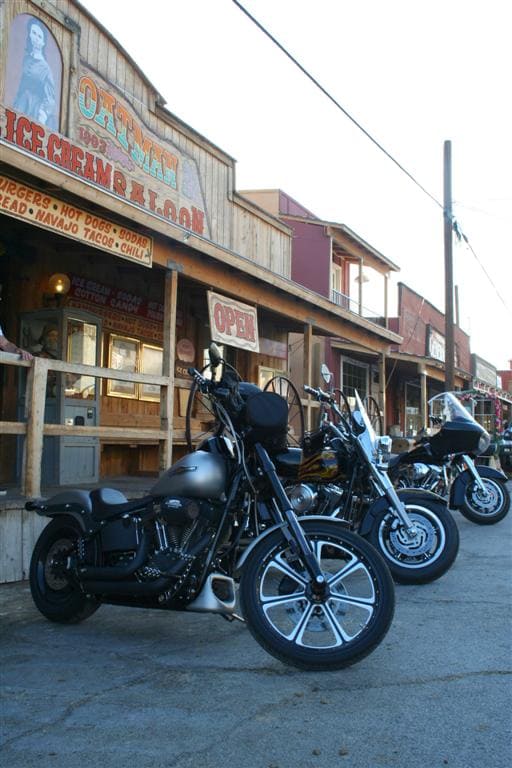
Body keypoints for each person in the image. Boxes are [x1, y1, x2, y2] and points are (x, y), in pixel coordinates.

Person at [13, 18, 58, 128]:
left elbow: (50, 99)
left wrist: (42, 116)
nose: (36, 39)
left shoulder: (45, 68)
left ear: (43, 42)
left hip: (33, 108)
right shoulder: (26, 58)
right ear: (29, 34)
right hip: (20, 103)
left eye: (39, 36)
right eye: (34, 33)